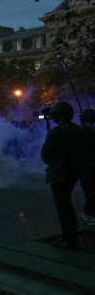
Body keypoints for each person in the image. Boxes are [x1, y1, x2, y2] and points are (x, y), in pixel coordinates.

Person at [41, 102, 87, 250]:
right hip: (78, 171)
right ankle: (70, 236)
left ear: (58, 116)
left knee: (63, 208)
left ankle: (70, 239)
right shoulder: (81, 131)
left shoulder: (55, 132)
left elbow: (45, 156)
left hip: (60, 173)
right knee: (67, 205)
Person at [79, 108, 95, 226]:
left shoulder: (79, 132)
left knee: (90, 191)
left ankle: (88, 213)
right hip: (88, 166)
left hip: (86, 167)